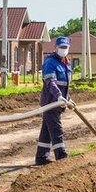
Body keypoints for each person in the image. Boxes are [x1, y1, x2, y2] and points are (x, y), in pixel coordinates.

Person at [36, 35, 74, 165]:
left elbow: (65, 84)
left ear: (68, 47)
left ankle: (41, 157)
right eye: (61, 47)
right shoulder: (50, 62)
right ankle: (62, 157)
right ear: (55, 47)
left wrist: (68, 99)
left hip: (60, 102)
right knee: (57, 130)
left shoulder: (66, 63)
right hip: (50, 102)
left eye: (65, 47)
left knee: (47, 130)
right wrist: (58, 95)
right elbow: (50, 81)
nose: (63, 49)